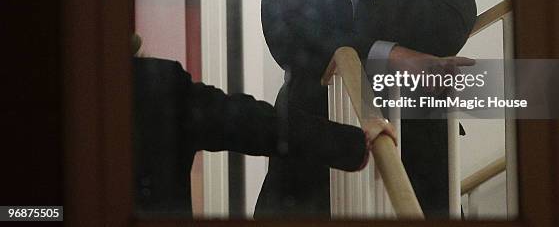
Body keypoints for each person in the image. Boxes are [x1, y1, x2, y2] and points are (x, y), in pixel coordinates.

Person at [255, 0, 477, 218]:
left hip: (411, 151)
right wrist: (390, 55)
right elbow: (289, 42)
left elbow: (446, 33)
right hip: (311, 154)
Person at [132, 56, 396, 217]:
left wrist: (353, 141)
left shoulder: (150, 86)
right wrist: (355, 141)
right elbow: (251, 123)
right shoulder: (152, 85)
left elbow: (252, 123)